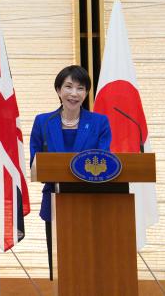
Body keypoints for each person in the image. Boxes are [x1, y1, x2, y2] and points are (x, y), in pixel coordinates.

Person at [29, 65, 111, 280]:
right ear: (58, 90)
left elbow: (104, 161)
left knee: (90, 264)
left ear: (86, 93)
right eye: (68, 87)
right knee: (59, 266)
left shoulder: (100, 122)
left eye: (80, 88)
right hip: (55, 200)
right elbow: (35, 163)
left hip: (92, 202)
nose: (74, 93)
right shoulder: (43, 122)